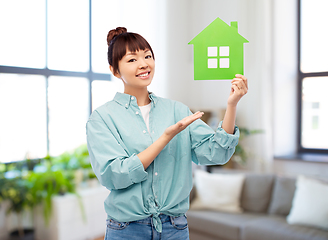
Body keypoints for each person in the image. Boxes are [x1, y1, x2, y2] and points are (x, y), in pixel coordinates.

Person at [86, 27, 248, 240]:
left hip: (175, 228)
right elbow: (115, 175)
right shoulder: (102, 118)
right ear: (115, 70)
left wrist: (232, 105)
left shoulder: (177, 110)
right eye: (132, 60)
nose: (144, 64)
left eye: (148, 56)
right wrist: (165, 138)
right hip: (127, 229)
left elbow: (217, 153)